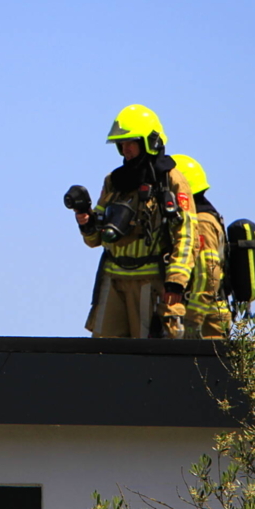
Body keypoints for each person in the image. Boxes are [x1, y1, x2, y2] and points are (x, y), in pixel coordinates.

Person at [74, 105, 198, 339]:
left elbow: (186, 235)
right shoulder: (114, 181)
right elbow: (95, 239)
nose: (126, 149)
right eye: (122, 144)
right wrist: (85, 222)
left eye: (131, 142)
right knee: (103, 353)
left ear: (150, 141)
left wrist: (175, 282)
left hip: (150, 283)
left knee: (148, 357)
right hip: (112, 282)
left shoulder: (171, 180)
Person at [172, 155, 232, 339]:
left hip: (207, 322)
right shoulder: (195, 218)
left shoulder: (202, 222)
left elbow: (208, 276)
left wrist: (192, 321)